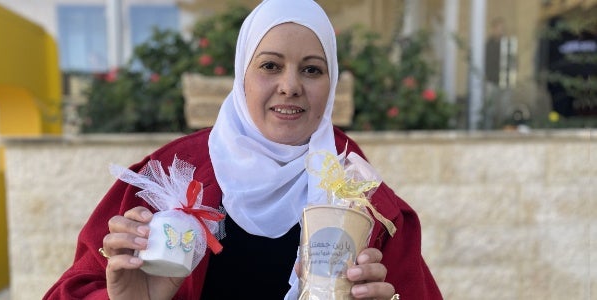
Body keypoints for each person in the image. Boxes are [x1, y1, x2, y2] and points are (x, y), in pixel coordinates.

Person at [44, 0, 442, 299]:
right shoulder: (168, 177)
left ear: (332, 82)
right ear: (242, 76)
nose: (290, 86)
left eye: (311, 69)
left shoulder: (365, 199)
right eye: (270, 66)